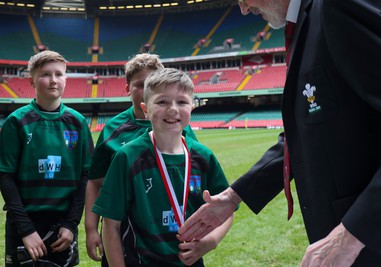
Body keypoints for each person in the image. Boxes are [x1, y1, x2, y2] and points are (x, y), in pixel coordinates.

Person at [177, 0, 381, 266]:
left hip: (378, 243)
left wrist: (352, 234)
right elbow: (304, 131)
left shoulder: (339, 7)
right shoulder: (311, 19)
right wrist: (232, 197)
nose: (243, 9)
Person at [92, 68, 233, 267]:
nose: (173, 109)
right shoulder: (127, 157)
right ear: (145, 109)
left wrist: (209, 242)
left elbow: (226, 210)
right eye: (162, 102)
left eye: (182, 102)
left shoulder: (204, 157)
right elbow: (110, 225)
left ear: (192, 107)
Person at [85, 53, 199, 266]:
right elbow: (95, 181)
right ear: (127, 89)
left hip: (168, 231)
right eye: (140, 84)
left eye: (153, 81)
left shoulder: (182, 129)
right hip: (121, 234)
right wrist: (91, 229)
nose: (147, 87)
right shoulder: (112, 129)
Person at [0, 50, 94, 266]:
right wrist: (26, 229)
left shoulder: (78, 122)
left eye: (59, 74)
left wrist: (71, 225)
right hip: (24, 224)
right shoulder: (16, 122)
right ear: (31, 80)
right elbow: (5, 177)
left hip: (62, 229)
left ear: (66, 79)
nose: (53, 80)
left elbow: (85, 176)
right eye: (45, 74)